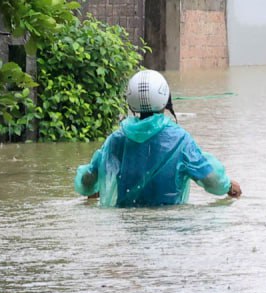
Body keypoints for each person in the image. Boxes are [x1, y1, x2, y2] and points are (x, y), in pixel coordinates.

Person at [75, 70, 242, 207]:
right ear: (165, 100)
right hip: (169, 227)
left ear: (131, 102)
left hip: (128, 229)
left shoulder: (116, 140)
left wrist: (96, 187)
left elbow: (87, 180)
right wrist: (228, 186)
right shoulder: (180, 140)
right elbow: (211, 180)